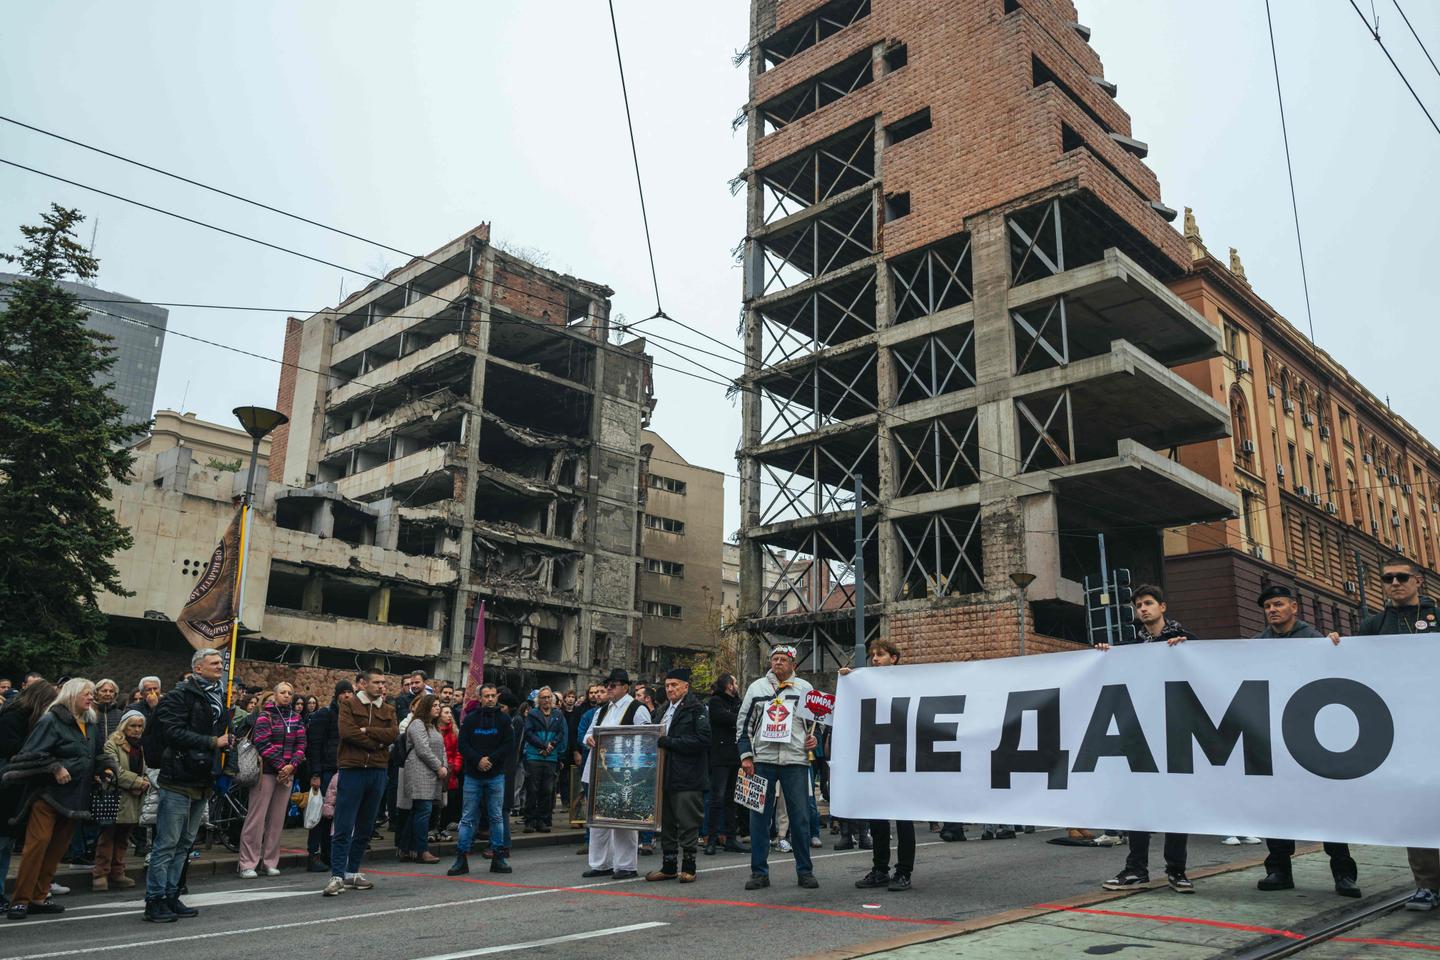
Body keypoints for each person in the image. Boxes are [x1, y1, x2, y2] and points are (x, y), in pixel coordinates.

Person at [1329, 557, 1440, 910]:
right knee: (1417, 807)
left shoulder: (1437, 618)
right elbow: (1352, 664)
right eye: (1387, 579)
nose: (1394, 583)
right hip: (1403, 730)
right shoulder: (1373, 625)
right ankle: (1427, 885)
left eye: (1401, 577)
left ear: (1418, 580)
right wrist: (1333, 645)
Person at [1245, 584, 1360, 898]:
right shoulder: (1256, 645)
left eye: (1278, 604)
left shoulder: (1315, 640)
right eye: (1267, 606)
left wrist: (1335, 647)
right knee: (1277, 805)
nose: (1272, 610)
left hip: (1313, 736)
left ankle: (1343, 872)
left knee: (1327, 804)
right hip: (1274, 737)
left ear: (1294, 607)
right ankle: (1279, 869)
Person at [1097, 585, 1197, 895]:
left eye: (1149, 603)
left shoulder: (1186, 641)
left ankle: (1176, 870)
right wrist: (1104, 656)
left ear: (1162, 606)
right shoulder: (1130, 648)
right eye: (1138, 604)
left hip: (1176, 734)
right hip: (1140, 735)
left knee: (1174, 804)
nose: (1143, 609)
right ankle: (1136, 868)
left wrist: (1188, 650)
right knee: (1138, 802)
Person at [7, 679, 114, 920]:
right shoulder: (51, 720)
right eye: (87, 694)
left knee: (56, 849)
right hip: (48, 795)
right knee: (37, 846)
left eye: (92, 694)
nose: (91, 698)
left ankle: (39, 896)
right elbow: (29, 754)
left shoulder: (91, 723)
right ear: (72, 695)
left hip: (76, 798)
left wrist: (106, 768)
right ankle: (20, 900)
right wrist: (54, 767)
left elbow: (98, 754)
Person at [146, 649, 230, 922]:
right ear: (197, 668)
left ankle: (172, 895)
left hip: (203, 777)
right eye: (214, 663)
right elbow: (172, 732)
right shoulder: (179, 695)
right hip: (178, 777)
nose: (220, 666)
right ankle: (154, 900)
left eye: (220, 662)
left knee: (185, 843)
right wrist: (212, 742)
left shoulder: (218, 696)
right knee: (167, 843)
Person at [737, 644, 819, 891]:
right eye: (775, 659)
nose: (778, 662)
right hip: (763, 761)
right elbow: (743, 724)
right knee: (759, 819)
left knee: (800, 818)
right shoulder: (757, 688)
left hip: (796, 761)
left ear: (793, 664)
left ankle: (805, 871)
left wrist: (815, 740)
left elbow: (816, 723)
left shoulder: (804, 688)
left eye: (783, 659)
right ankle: (759, 873)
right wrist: (746, 756)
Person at [842, 638, 916, 892]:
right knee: (877, 817)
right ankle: (880, 869)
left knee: (904, 819)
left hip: (902, 759)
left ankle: (904, 871)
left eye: (880, 654)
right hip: (877, 759)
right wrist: (849, 681)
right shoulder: (866, 683)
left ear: (893, 658)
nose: (874, 659)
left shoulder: (910, 682)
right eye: (872, 655)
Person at [325, 669, 398, 896]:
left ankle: (352, 871)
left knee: (366, 826)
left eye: (384, 683)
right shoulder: (349, 704)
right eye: (377, 682)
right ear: (363, 683)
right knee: (344, 824)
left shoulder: (388, 709)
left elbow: (393, 734)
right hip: (352, 769)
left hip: (377, 771)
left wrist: (368, 730)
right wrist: (376, 743)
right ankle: (337, 875)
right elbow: (347, 733)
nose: (381, 686)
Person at [583, 668, 651, 880]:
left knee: (624, 819)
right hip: (599, 770)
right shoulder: (603, 710)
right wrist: (588, 739)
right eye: (607, 685)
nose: (608, 689)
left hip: (625, 772)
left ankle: (626, 865)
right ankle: (600, 863)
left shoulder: (637, 708)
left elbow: (647, 738)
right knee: (598, 819)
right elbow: (588, 733)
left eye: (612, 685)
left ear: (625, 687)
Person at [647, 667, 710, 884]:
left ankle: (689, 867)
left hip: (688, 775)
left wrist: (671, 742)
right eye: (667, 685)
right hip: (664, 774)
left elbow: (703, 740)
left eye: (674, 685)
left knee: (687, 822)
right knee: (667, 822)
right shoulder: (663, 709)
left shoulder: (696, 708)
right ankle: (669, 866)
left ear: (685, 686)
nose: (670, 689)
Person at [238, 683, 307, 879]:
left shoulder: (296, 718)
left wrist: (292, 765)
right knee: (256, 819)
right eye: (283, 692)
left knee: (277, 820)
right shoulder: (265, 716)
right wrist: (281, 766)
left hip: (287, 773)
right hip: (267, 773)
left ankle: (270, 862)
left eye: (290, 693)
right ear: (275, 695)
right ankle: (247, 863)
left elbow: (302, 744)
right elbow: (262, 743)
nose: (286, 695)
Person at [0, 681, 58, 910]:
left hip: (14, 788)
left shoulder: (24, 717)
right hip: (6, 786)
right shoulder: (12, 717)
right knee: (2, 843)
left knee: (6, 844)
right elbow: (10, 749)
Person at [449, 684, 513, 875]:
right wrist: (478, 760)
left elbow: (508, 745)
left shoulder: (504, 719)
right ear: (480, 698)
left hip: (495, 775)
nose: (490, 699)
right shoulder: (470, 719)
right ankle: (461, 857)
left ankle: (498, 856)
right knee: (467, 818)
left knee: (496, 817)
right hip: (473, 776)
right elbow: (463, 744)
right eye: (486, 696)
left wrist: (490, 760)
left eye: (493, 695)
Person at [94, 709, 148, 891]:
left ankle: (117, 871)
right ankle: (100, 873)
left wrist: (144, 781)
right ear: (124, 726)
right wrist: (139, 782)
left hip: (133, 797)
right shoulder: (112, 744)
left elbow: (146, 768)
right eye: (133, 726)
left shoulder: (142, 746)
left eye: (140, 726)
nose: (137, 729)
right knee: (107, 836)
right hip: (115, 795)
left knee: (124, 837)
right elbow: (115, 770)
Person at [305, 680, 351, 872]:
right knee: (319, 815)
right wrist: (315, 773)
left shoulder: (350, 716)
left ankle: (328, 853)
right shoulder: (324, 714)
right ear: (337, 694)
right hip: (325, 770)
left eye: (350, 692)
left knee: (333, 815)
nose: (347, 695)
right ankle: (313, 854)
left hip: (343, 769)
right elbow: (314, 746)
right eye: (344, 692)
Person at [397, 695, 446, 864]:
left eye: (439, 705)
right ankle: (421, 850)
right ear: (426, 707)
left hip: (432, 771)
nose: (438, 708)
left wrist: (445, 766)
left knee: (418, 811)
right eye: (434, 705)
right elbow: (423, 749)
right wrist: (438, 767)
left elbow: (442, 749)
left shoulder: (434, 726)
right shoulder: (417, 724)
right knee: (424, 810)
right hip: (419, 771)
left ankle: (404, 848)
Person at [704, 674, 744, 856]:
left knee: (731, 799)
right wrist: (738, 718)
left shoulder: (738, 702)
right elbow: (725, 718)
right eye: (734, 682)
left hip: (735, 756)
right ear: (729, 685)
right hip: (720, 757)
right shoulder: (716, 701)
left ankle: (731, 838)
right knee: (717, 798)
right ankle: (711, 839)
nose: (737, 685)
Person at [522, 687, 567, 834]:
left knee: (547, 790)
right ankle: (530, 820)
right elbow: (528, 733)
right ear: (538, 700)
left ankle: (543, 820)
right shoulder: (532, 714)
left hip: (551, 757)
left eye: (549, 697)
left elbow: (561, 733)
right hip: (534, 756)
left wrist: (551, 745)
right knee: (532, 789)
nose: (546, 700)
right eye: (543, 697)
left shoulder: (558, 715)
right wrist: (542, 745)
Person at [438, 705, 461, 839]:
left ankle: (444, 827)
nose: (449, 715)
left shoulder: (455, 732)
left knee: (448, 801)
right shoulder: (435, 731)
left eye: (450, 713)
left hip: (451, 771)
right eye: (446, 713)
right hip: (438, 769)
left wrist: (456, 767)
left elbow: (458, 751)